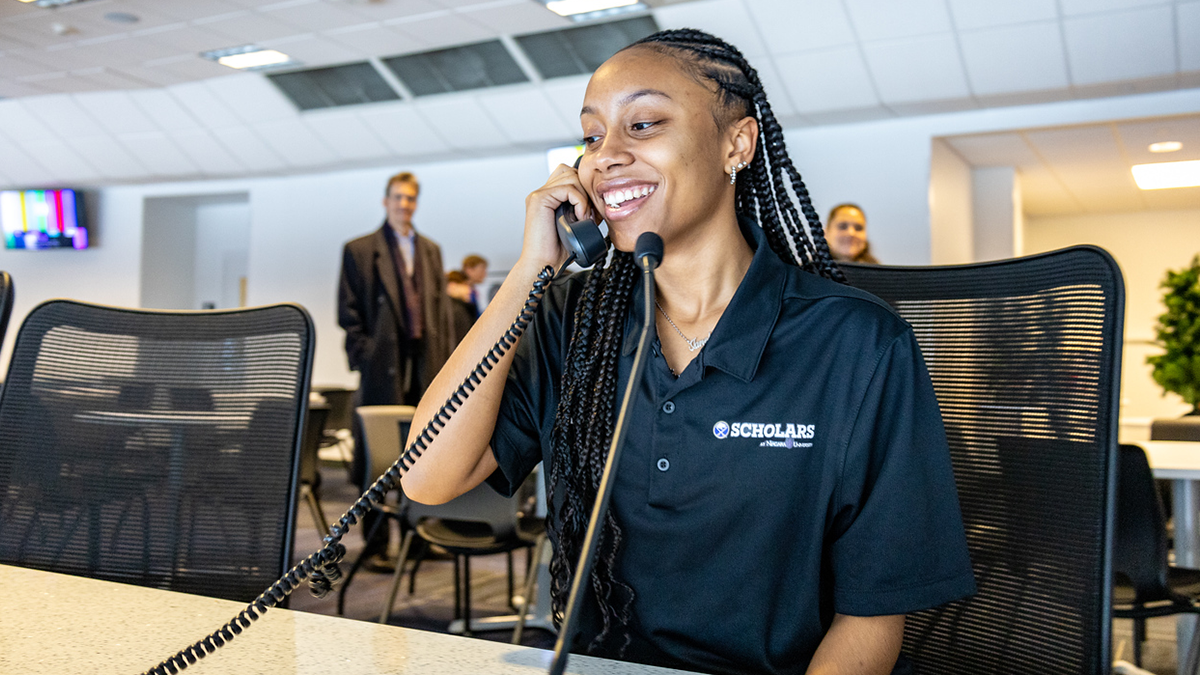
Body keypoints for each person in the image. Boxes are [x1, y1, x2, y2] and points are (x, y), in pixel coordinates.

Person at [400, 29, 974, 675]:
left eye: (642, 124)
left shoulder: (856, 342)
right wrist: (534, 271)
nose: (605, 157)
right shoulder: (575, 321)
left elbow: (871, 615)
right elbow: (429, 477)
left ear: (737, 143)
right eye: (592, 137)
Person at [338, 171, 453, 566]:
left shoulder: (431, 250)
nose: (404, 204)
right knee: (379, 455)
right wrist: (365, 354)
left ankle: (418, 537)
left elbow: (440, 309)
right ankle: (375, 545)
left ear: (415, 203)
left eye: (410, 198)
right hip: (382, 363)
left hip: (425, 362)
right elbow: (348, 313)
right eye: (397, 198)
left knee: (422, 450)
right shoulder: (359, 249)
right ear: (385, 201)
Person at [445, 269, 477, 345]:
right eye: (465, 285)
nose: (469, 290)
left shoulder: (462, 308)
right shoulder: (456, 311)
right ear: (452, 285)